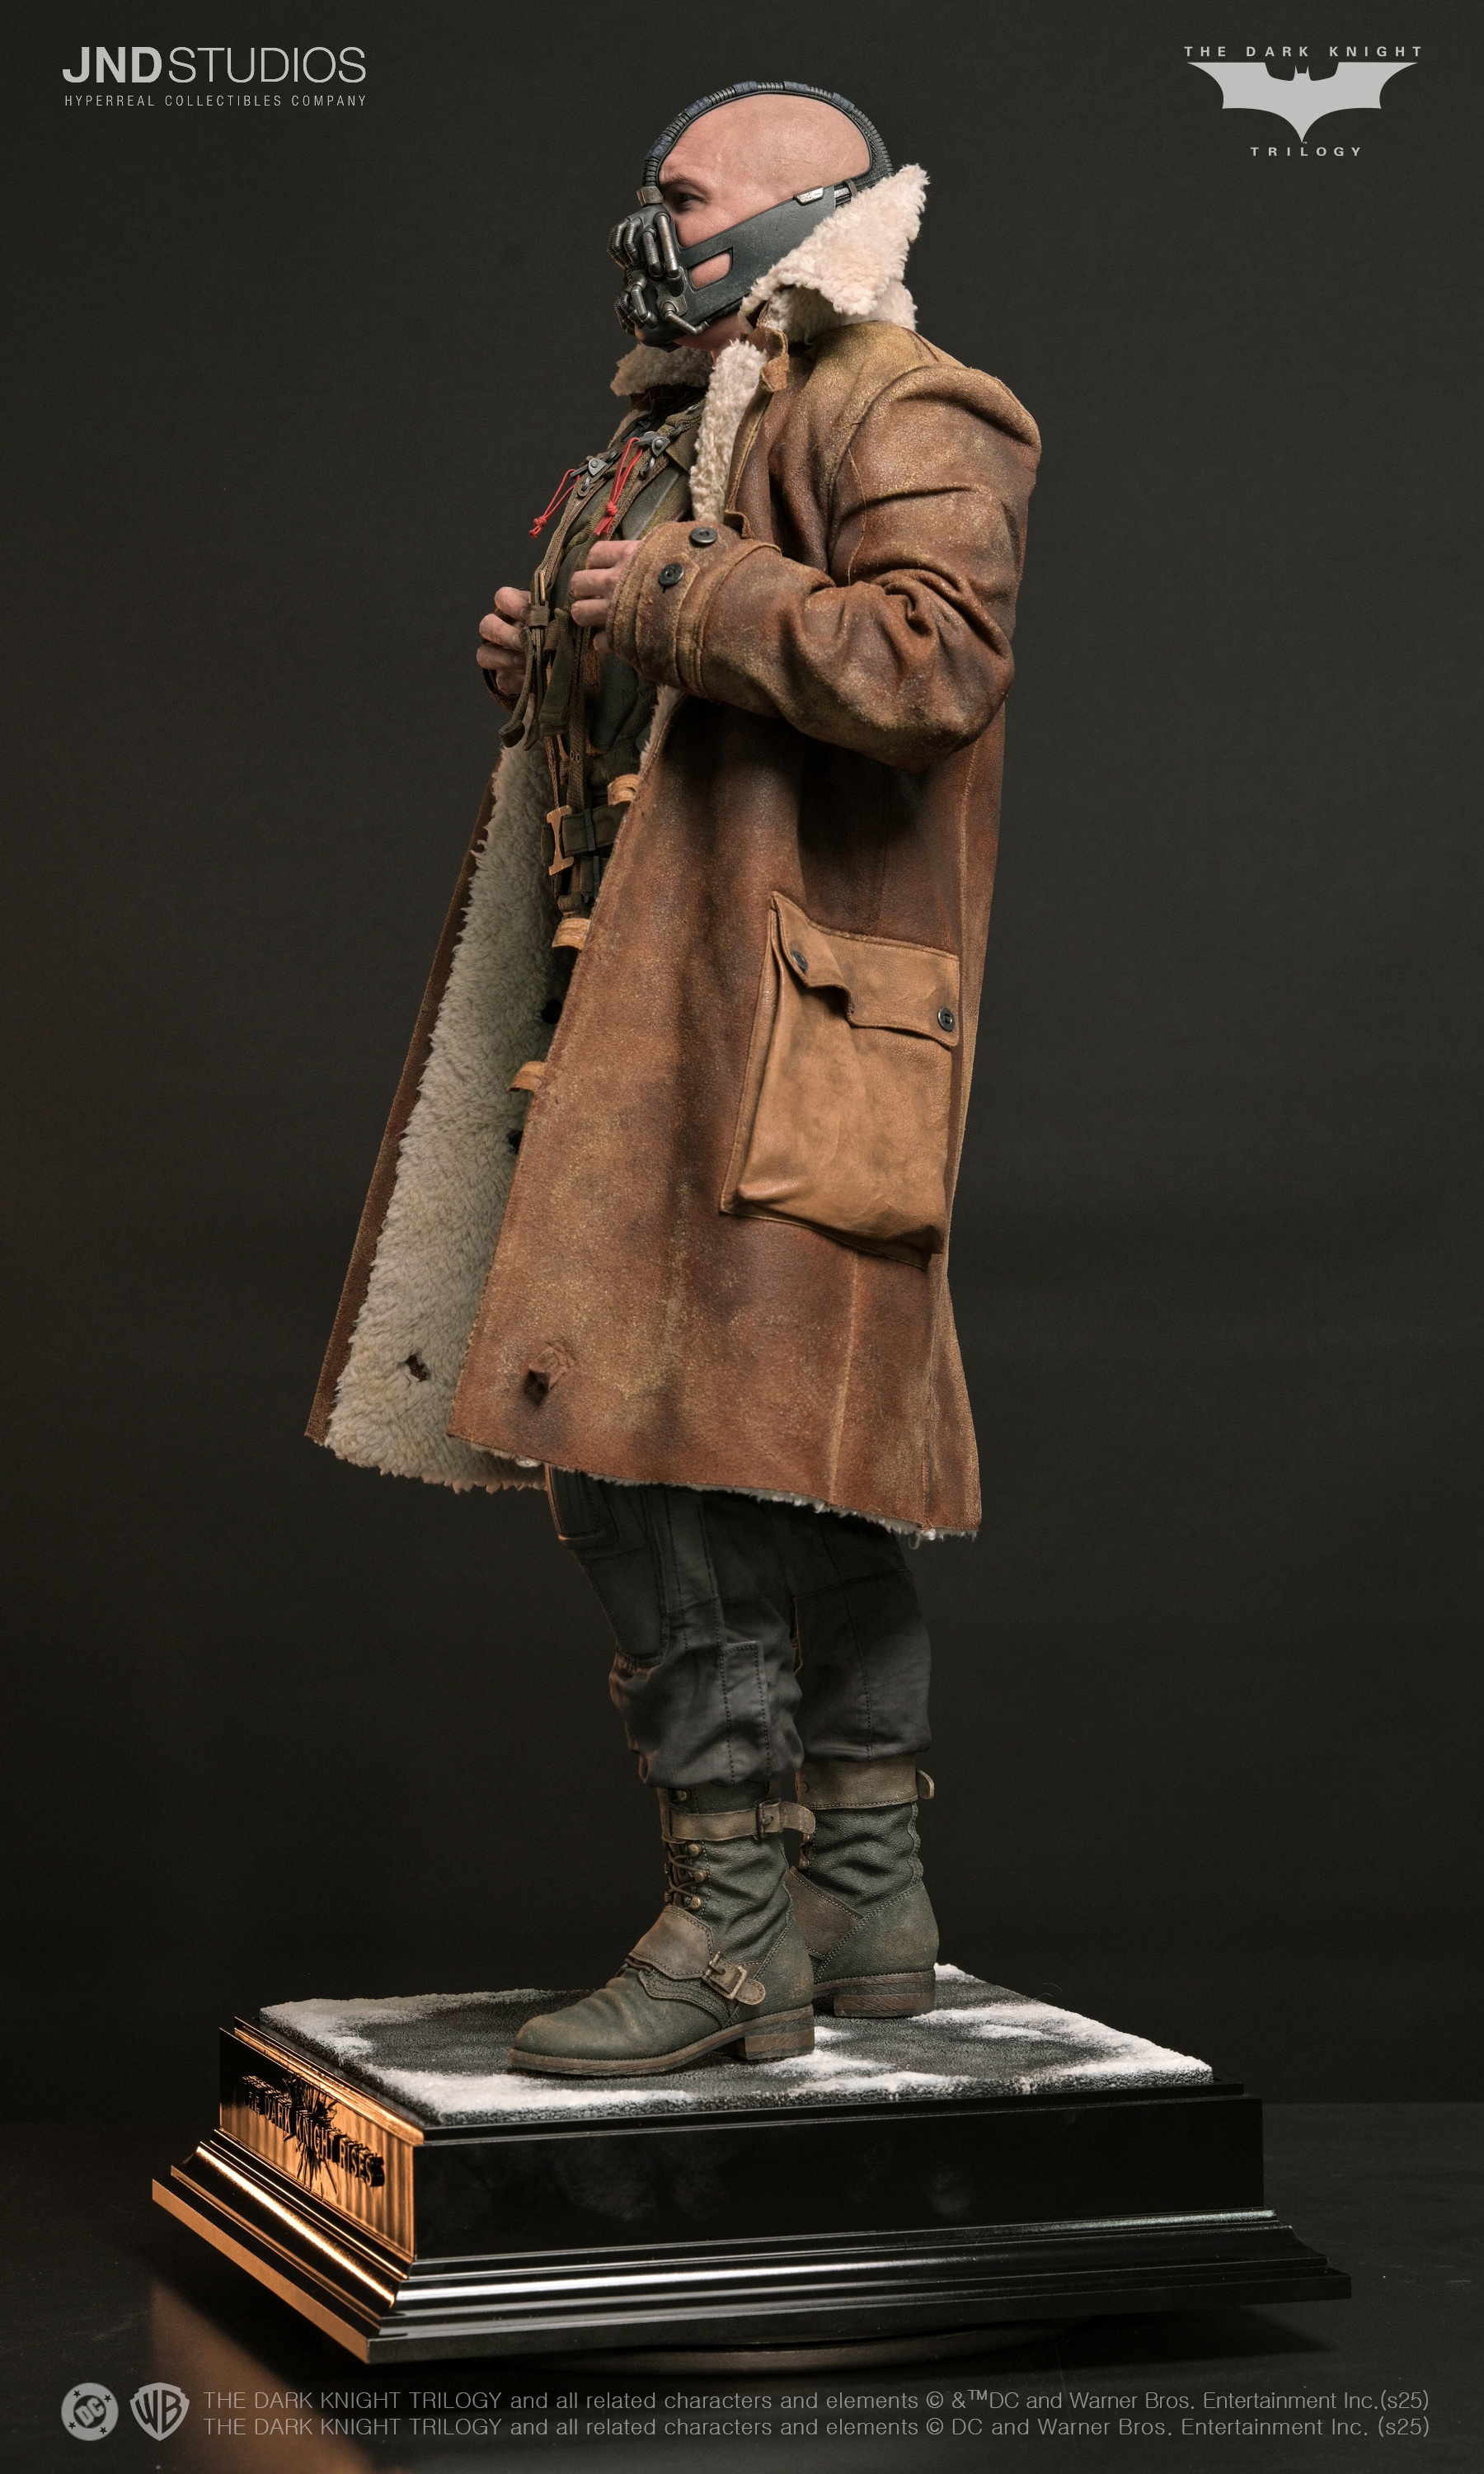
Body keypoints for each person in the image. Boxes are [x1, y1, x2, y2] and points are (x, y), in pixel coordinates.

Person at [308, 81, 1040, 2077]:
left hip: (775, 1043)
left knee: (686, 1455)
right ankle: (862, 1899)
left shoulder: (904, 401)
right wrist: (562, 653)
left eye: (686, 195)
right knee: (743, 1452)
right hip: (656, 1031)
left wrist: (677, 599)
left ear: (800, 216)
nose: (652, 223)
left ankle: (739, 1937)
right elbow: (685, 713)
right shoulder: (680, 425)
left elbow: (931, 660)